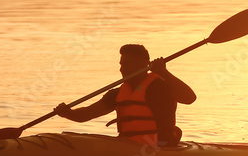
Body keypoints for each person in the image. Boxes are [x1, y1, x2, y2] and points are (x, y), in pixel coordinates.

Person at [54, 44, 196, 147]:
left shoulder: (159, 87)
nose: (122, 69)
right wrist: (67, 113)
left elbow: (189, 98)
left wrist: (164, 72)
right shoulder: (117, 94)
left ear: (143, 65)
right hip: (128, 146)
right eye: (121, 64)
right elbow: (86, 115)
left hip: (160, 147)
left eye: (127, 64)